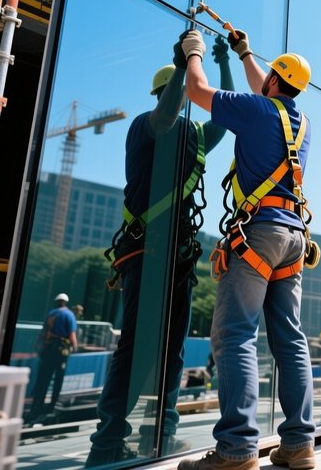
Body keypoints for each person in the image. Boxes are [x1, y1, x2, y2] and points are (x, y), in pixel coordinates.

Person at [86, 36, 231, 466]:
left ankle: (162, 432)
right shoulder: (146, 126)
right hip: (146, 252)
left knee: (173, 349)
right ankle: (109, 438)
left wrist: (221, 63)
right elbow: (166, 116)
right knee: (134, 346)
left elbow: (220, 121)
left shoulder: (195, 136)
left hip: (178, 256)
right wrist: (184, 66)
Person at [178, 28, 315, 470]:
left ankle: (237, 448)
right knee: (290, 339)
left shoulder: (256, 110)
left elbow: (197, 90)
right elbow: (269, 88)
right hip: (292, 238)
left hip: (258, 233)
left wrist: (194, 52)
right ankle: (298, 444)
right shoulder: (301, 123)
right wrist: (245, 53)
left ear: (273, 82)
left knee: (235, 335)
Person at [27, 293, 78, 422]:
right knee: (58, 378)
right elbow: (72, 335)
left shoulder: (51, 314)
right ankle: (51, 406)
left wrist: (38, 347)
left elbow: (43, 332)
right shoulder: (69, 315)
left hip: (48, 349)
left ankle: (37, 405)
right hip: (60, 350)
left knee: (44, 377)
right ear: (66, 302)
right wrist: (75, 347)